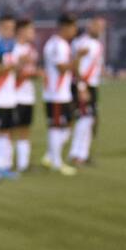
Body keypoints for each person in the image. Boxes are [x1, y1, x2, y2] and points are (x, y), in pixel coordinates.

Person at [40, 14, 79, 175]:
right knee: (56, 127)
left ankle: (50, 155)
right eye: (73, 27)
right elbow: (62, 68)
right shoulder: (57, 45)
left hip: (63, 93)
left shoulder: (61, 44)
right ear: (65, 27)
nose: (75, 31)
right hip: (55, 94)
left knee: (67, 124)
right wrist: (78, 59)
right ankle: (56, 162)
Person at [69, 16, 105, 165]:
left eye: (102, 27)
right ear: (89, 26)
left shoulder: (96, 44)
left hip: (92, 84)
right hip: (82, 84)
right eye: (97, 25)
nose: (100, 29)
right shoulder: (82, 43)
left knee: (90, 120)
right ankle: (76, 154)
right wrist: (81, 87)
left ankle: (83, 154)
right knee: (84, 119)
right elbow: (76, 65)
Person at [0, 14, 21, 179]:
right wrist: (11, 67)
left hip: (10, 97)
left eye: (11, 28)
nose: (9, 31)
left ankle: (4, 165)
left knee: (7, 132)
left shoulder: (13, 48)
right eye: (5, 28)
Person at [11, 18, 40, 172]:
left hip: (28, 95)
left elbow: (30, 72)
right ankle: (6, 163)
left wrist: (36, 74)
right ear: (21, 31)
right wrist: (21, 63)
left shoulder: (31, 50)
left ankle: (23, 164)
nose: (33, 33)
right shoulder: (13, 49)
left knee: (25, 130)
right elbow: (11, 75)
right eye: (30, 30)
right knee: (9, 131)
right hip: (14, 95)